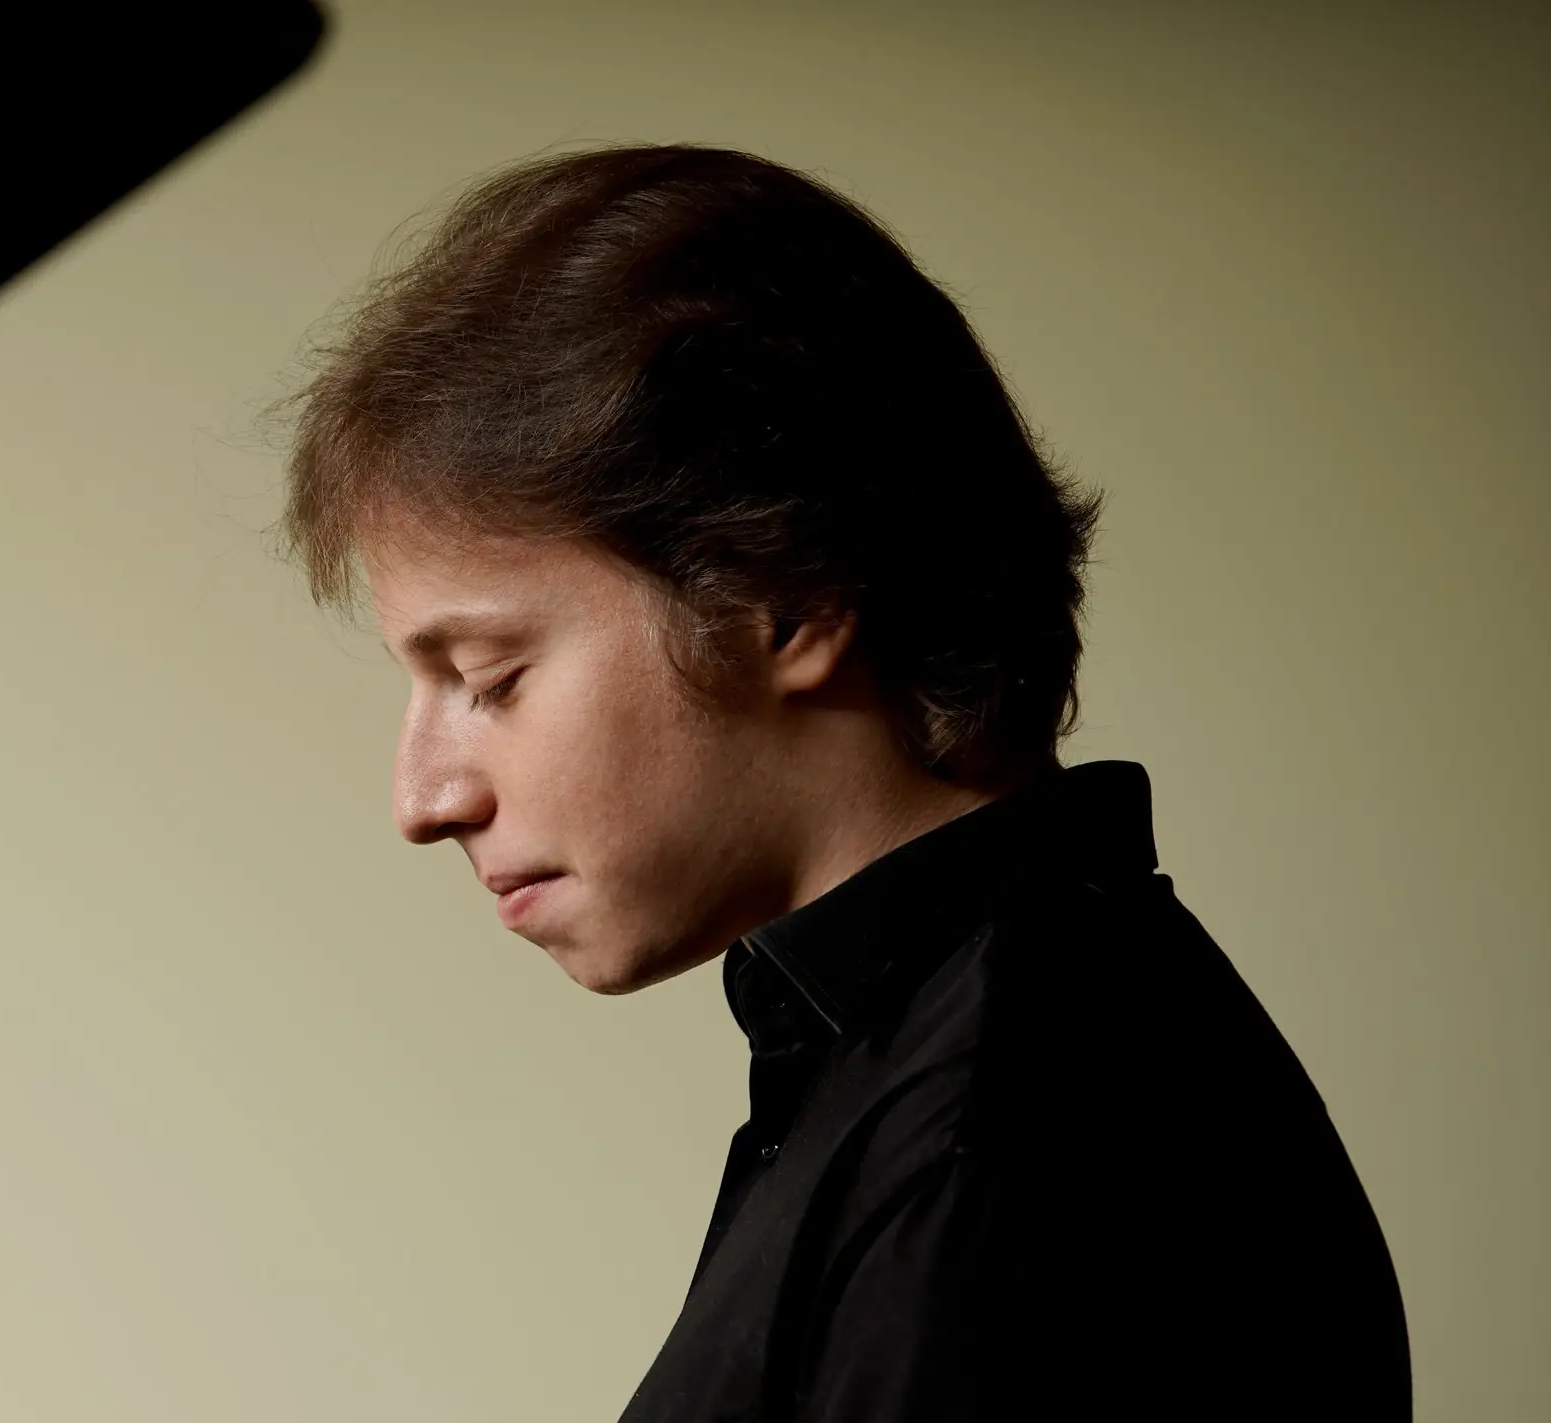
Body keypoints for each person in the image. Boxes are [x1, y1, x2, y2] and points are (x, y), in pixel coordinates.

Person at [278, 144, 1410, 1421]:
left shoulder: (997, 1137)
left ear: (789, 599)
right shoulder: (962, 1066)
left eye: (488, 676)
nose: (421, 798)